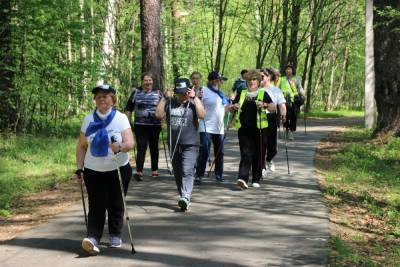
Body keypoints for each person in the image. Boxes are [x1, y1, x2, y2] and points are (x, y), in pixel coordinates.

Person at [74, 84, 134, 255]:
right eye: (98, 96)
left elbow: (130, 143)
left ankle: (115, 234)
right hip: (93, 170)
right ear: (95, 100)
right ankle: (93, 238)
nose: (102, 99)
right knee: (96, 205)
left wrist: (121, 146)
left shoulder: (120, 118)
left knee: (116, 203)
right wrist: (79, 168)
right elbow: (81, 146)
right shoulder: (88, 119)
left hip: (118, 168)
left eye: (105, 96)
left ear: (112, 99)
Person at [155, 78, 205, 211]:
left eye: (185, 93)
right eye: (179, 93)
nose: (182, 96)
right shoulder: (170, 102)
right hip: (174, 144)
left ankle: (186, 196)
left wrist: (195, 99)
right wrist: (164, 99)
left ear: (189, 91)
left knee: (187, 170)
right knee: (178, 172)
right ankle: (184, 196)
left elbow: (202, 115)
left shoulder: (193, 103)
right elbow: (159, 115)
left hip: (191, 144)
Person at [230, 69, 275, 189]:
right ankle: (242, 178)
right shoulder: (242, 93)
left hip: (260, 129)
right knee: (246, 153)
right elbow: (231, 107)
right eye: (249, 80)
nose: (252, 82)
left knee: (259, 154)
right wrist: (233, 106)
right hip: (244, 129)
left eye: (254, 79)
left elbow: (273, 108)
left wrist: (264, 105)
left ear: (259, 81)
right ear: (246, 81)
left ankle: (256, 178)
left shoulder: (263, 93)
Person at [195, 70, 232, 184]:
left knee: (219, 152)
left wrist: (231, 106)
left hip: (219, 128)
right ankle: (199, 175)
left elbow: (223, 110)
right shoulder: (204, 91)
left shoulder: (221, 94)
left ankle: (218, 174)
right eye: (220, 80)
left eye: (221, 81)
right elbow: (198, 105)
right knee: (204, 151)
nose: (221, 83)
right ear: (214, 81)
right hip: (206, 126)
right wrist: (198, 98)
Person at [125, 72, 163, 180]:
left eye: (150, 80)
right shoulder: (136, 92)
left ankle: (154, 170)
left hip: (155, 125)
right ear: (142, 81)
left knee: (154, 147)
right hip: (140, 125)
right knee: (141, 147)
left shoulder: (158, 93)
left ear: (152, 81)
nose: (148, 82)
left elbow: (164, 107)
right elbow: (128, 108)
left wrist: (163, 119)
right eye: (146, 80)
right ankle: (139, 171)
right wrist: (127, 124)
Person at [260, 68, 287, 175]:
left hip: (272, 118)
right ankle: (261, 167)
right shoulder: (256, 89)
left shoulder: (276, 90)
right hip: (260, 118)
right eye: (259, 77)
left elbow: (281, 104)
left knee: (273, 147)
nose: (260, 79)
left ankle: (269, 159)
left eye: (262, 77)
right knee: (262, 144)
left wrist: (284, 115)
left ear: (268, 77)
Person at [279, 64, 305, 140]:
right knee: (285, 116)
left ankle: (291, 131)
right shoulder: (282, 79)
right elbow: (278, 88)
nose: (288, 70)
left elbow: (300, 88)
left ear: (293, 70)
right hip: (284, 100)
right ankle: (287, 129)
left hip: (294, 100)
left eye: (289, 69)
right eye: (287, 69)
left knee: (293, 116)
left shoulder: (297, 79)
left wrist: (303, 94)